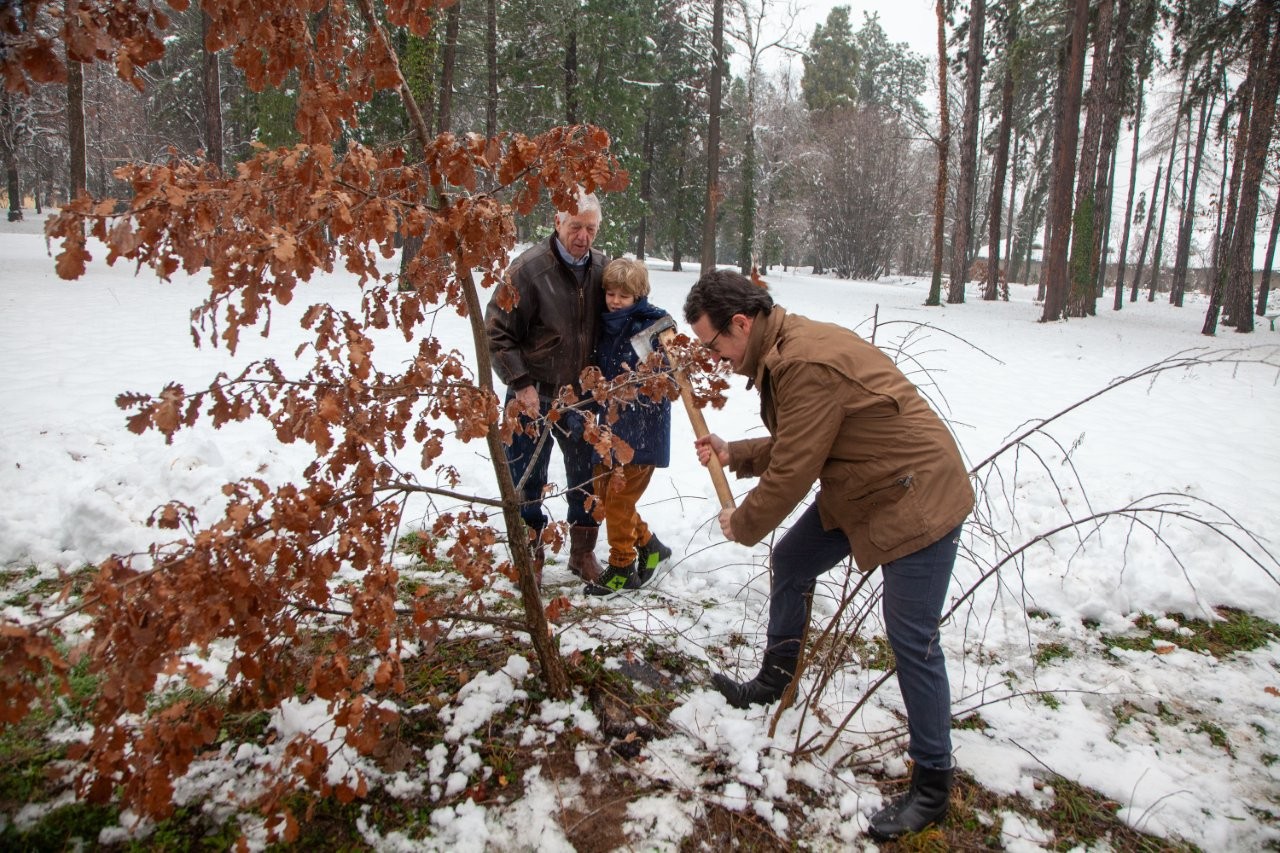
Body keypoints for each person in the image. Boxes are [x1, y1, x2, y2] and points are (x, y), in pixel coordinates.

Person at [684, 270, 974, 841]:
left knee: (912, 636)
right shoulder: (784, 349)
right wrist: (734, 452)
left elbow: (794, 469)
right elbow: (803, 439)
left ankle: (934, 782)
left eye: (714, 343)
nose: (712, 357)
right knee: (793, 562)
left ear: (741, 323)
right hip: (862, 487)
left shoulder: (802, 362)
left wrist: (741, 523)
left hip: (915, 493)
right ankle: (774, 679)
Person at [485, 190, 608, 583]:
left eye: (590, 229)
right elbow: (497, 331)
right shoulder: (528, 270)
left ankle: (582, 553)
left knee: (586, 475)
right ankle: (530, 553)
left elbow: (629, 312)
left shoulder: (604, 271)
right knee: (527, 474)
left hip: (581, 395)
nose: (583, 237)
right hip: (532, 391)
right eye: (575, 227)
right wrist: (520, 383)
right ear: (557, 223)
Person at [583, 258, 674, 596]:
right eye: (611, 293)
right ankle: (650, 545)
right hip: (608, 429)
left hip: (641, 433)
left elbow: (668, 377)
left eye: (624, 295)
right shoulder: (605, 322)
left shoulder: (652, 328)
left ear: (639, 295)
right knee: (606, 497)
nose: (616, 300)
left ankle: (622, 566)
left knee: (619, 502)